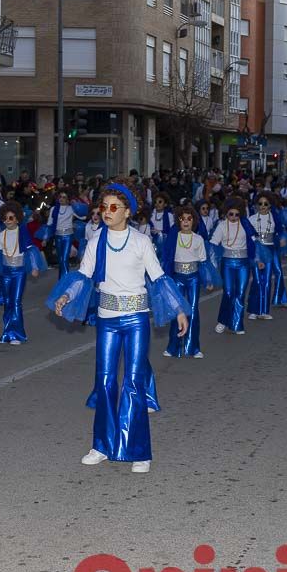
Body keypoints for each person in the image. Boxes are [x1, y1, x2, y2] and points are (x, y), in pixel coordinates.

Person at [49, 182, 188, 473]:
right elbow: (84, 275)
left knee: (134, 383)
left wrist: (178, 310)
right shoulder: (96, 240)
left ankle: (139, 451)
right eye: (104, 207)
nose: (107, 212)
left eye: (114, 207)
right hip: (107, 318)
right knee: (104, 381)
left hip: (136, 318)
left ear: (127, 212)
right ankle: (102, 444)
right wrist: (66, 295)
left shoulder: (140, 241)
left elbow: (159, 277)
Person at [0, 201, 47, 344]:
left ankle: (17, 334)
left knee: (16, 301)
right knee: (7, 302)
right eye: (5, 218)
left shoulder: (22, 233)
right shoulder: (1, 236)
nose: (8, 221)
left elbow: (31, 251)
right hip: (6, 271)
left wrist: (35, 267)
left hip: (19, 272)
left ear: (18, 219)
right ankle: (7, 332)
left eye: (11, 218)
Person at [160, 205, 217, 359]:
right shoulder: (173, 237)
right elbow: (166, 258)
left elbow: (204, 262)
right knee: (177, 311)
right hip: (177, 277)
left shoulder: (198, 239)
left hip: (193, 277)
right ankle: (173, 347)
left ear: (194, 221)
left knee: (192, 311)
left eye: (189, 219)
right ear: (178, 221)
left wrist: (208, 280)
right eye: (182, 219)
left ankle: (193, 347)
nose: (185, 222)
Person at [210, 198, 266, 335]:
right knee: (229, 292)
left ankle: (237, 324)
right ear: (226, 213)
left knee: (240, 293)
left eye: (237, 214)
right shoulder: (222, 225)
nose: (234, 217)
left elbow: (254, 244)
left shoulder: (246, 225)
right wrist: (212, 267)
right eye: (231, 214)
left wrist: (258, 259)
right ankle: (223, 320)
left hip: (244, 263)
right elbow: (213, 246)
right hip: (227, 262)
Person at [247, 191, 287, 318]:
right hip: (256, 250)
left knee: (267, 280)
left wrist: (281, 238)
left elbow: (280, 232)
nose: (263, 206)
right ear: (256, 205)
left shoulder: (274, 218)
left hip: (270, 249)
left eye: (266, 204)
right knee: (257, 280)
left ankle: (264, 310)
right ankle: (254, 310)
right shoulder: (251, 219)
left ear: (270, 205)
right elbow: (247, 236)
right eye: (260, 203)